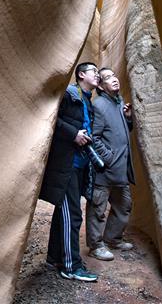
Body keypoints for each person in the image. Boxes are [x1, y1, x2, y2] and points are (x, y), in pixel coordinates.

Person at [38, 61, 100, 282]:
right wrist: (74, 133)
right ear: (82, 74)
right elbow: (50, 118)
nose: (98, 75)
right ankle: (70, 266)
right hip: (66, 166)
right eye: (94, 72)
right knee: (72, 215)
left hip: (78, 165)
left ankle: (56, 257)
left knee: (65, 213)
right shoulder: (69, 94)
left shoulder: (86, 101)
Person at [86, 67, 135, 261]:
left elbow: (121, 133)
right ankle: (96, 246)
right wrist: (108, 158)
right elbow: (94, 137)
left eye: (114, 75)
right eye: (107, 78)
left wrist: (128, 118)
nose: (114, 79)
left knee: (123, 206)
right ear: (101, 85)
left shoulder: (118, 102)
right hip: (105, 170)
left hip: (121, 170)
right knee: (98, 208)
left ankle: (113, 239)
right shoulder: (99, 105)